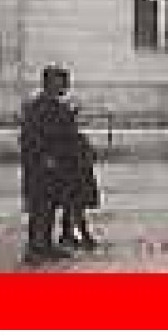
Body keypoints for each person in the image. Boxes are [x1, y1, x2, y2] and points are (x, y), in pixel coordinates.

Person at [19, 65, 85, 264]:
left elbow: (63, 133)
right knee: (40, 208)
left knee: (48, 208)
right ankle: (35, 249)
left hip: (53, 168)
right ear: (50, 84)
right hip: (42, 169)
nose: (66, 86)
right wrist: (44, 158)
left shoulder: (53, 106)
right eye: (62, 82)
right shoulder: (39, 107)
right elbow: (32, 138)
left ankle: (45, 245)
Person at [57, 97, 100, 251]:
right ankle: (81, 235)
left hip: (76, 176)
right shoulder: (71, 137)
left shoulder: (73, 137)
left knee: (72, 208)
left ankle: (69, 235)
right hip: (75, 176)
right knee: (75, 208)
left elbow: (90, 155)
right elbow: (88, 155)